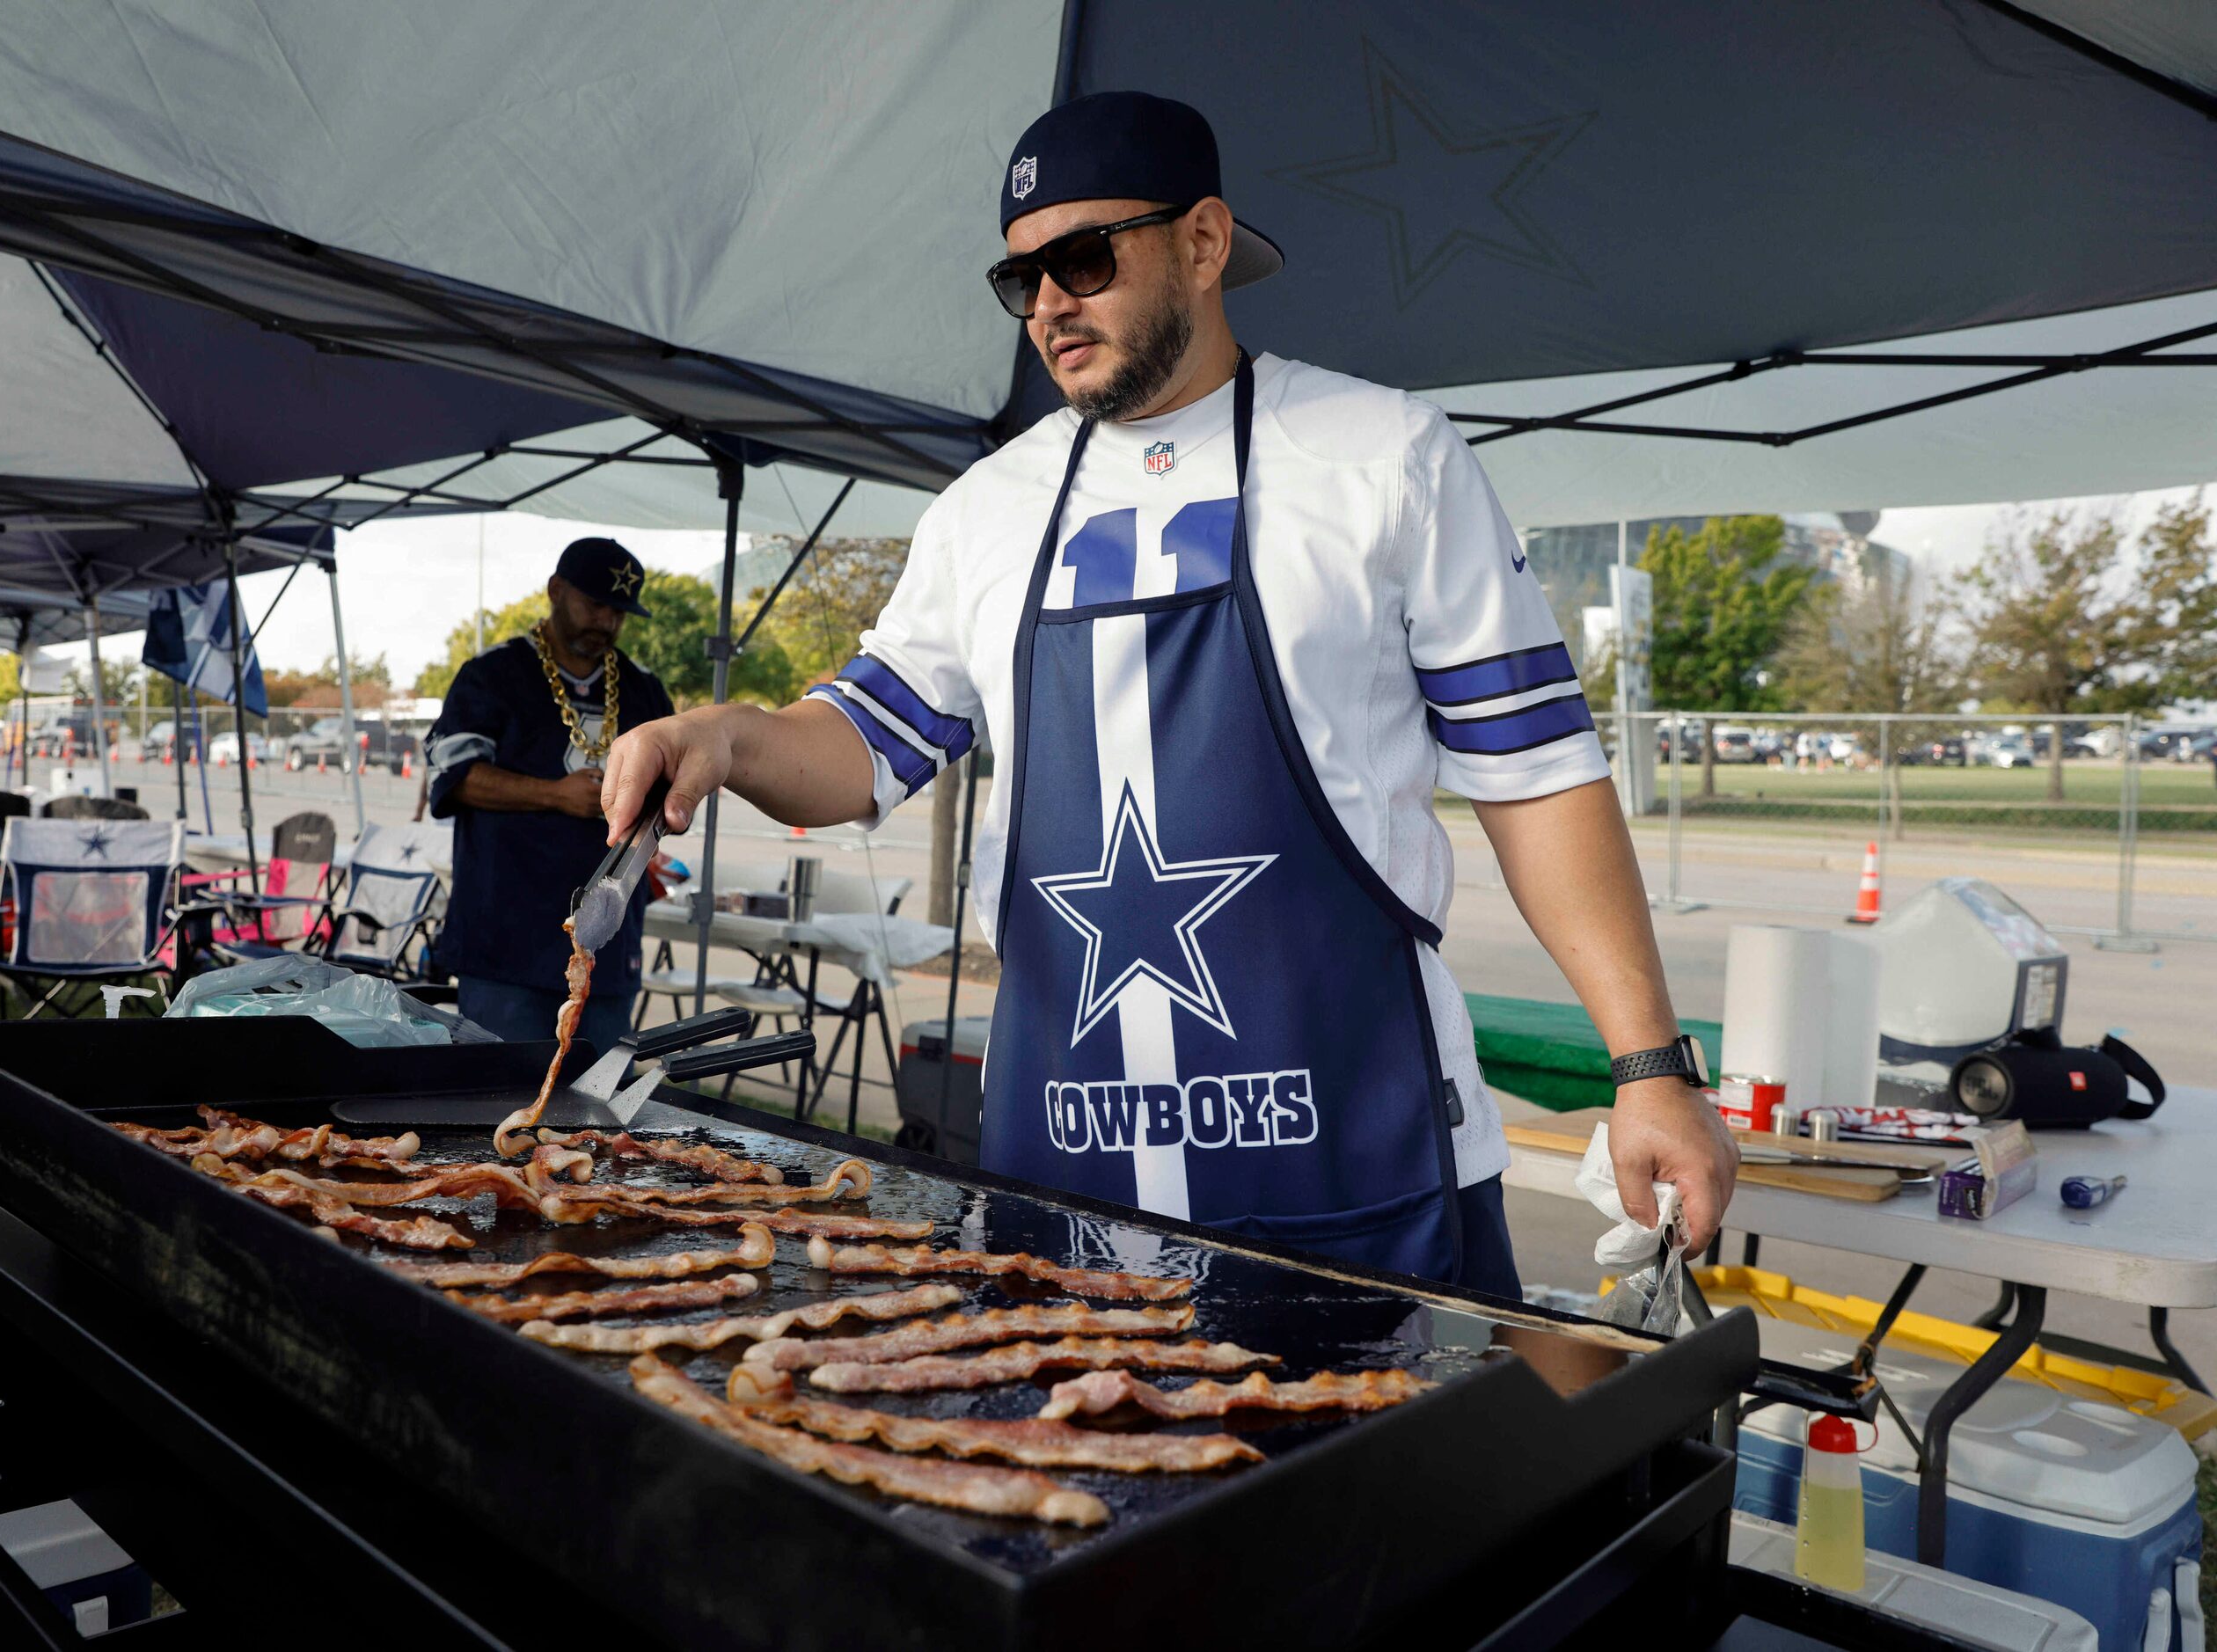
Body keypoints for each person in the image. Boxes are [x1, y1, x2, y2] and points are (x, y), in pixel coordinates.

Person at [601, 91, 1737, 1295]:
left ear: (1203, 243)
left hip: (1357, 1166)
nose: (1047, 304)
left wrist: (1649, 1064)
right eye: (1020, 279)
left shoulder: (1383, 454)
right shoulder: (987, 507)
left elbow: (1538, 773)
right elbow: (865, 744)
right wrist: (723, 731)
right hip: (1060, 1175)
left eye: (1083, 259)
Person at [428, 538, 675, 1049]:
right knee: (495, 1104)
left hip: (606, 944)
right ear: (556, 591)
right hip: (505, 943)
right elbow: (457, 776)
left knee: (596, 1116)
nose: (606, 621)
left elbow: (673, 790)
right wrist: (554, 795)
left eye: (619, 612)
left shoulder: (644, 690)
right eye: (594, 604)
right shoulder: (492, 675)